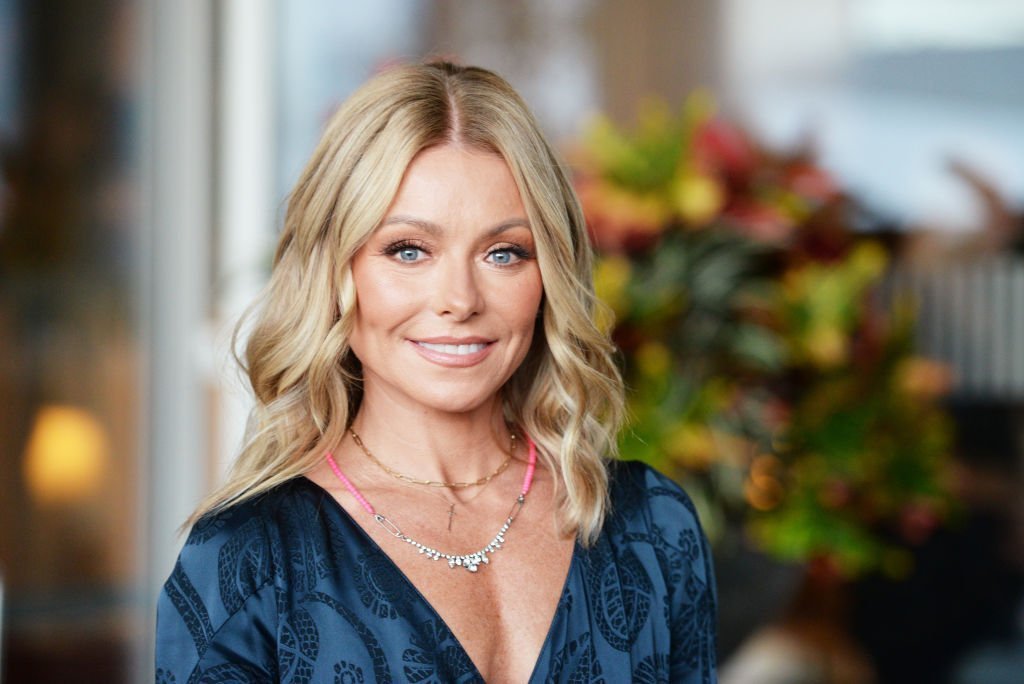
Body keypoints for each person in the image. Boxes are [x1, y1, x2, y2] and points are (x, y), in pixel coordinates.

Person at [156, 61, 717, 683]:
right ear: (336, 271)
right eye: (409, 250)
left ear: (548, 276)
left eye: (504, 253)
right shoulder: (248, 558)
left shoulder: (652, 527)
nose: (459, 299)